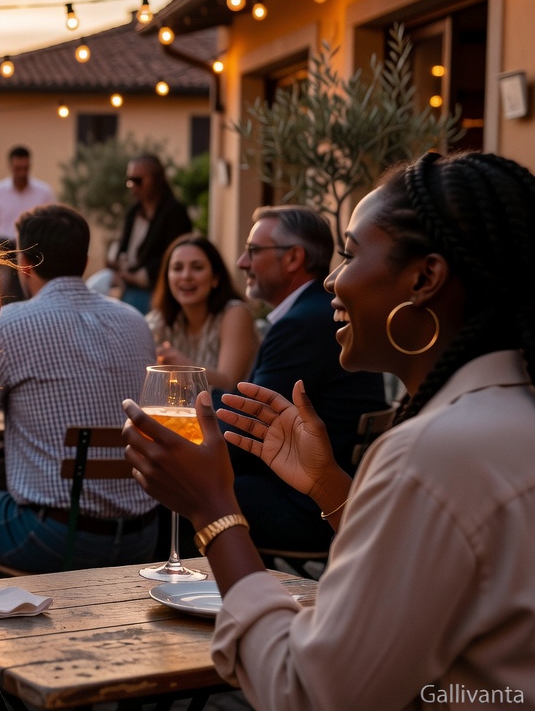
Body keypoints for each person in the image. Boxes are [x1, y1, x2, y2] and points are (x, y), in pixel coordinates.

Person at [121, 151, 535, 709]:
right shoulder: (503, 419)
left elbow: (308, 691)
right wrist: (328, 486)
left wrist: (214, 510)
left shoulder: (433, 454)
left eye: (350, 253)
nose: (333, 281)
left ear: (425, 277)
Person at [0, 204, 158, 573]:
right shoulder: (136, 322)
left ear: (24, 264)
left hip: (55, 537)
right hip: (143, 536)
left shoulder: (4, 326)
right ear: (85, 261)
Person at [224, 206, 387, 552]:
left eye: (253, 251)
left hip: (311, 506)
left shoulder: (302, 324)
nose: (241, 262)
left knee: (185, 483)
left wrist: (186, 443)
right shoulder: (321, 312)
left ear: (294, 257)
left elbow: (247, 435)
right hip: (328, 493)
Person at [147, 234, 258, 393]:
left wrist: (185, 368)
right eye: (177, 268)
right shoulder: (162, 318)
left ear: (215, 278)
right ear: (167, 278)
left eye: (197, 267)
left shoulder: (235, 313)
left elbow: (229, 384)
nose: (186, 276)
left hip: (229, 414)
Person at [0, 145, 55, 305]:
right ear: (10, 167)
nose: (22, 173)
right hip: (5, 248)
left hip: (33, 248)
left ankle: (18, 300)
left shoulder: (44, 192)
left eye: (25, 168)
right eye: (18, 168)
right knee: (6, 251)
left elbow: (51, 225)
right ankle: (17, 299)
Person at [110, 154, 192, 313]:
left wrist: (139, 276)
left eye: (138, 180)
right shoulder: (133, 212)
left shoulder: (174, 213)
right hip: (127, 284)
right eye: (130, 181)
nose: (133, 186)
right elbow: (124, 247)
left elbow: (174, 253)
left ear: (158, 179)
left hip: (155, 289)